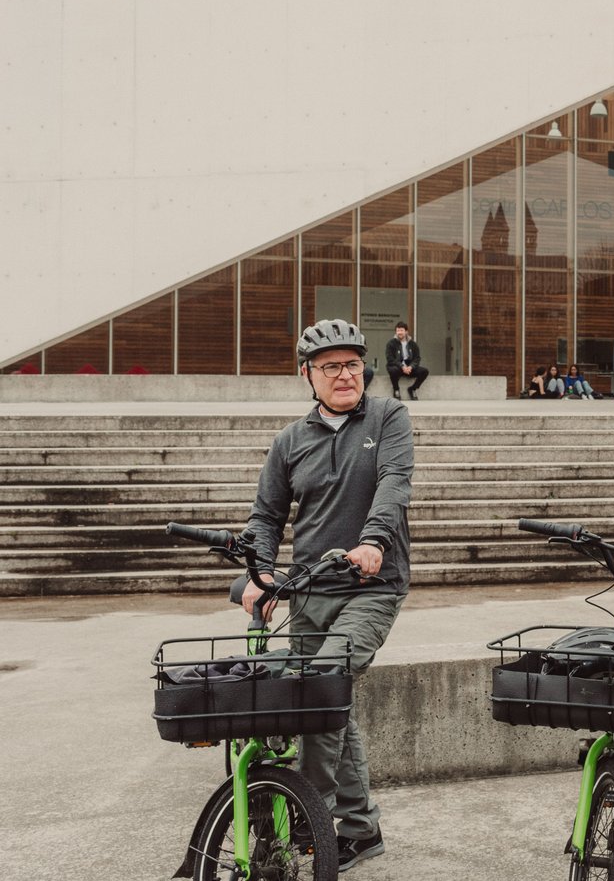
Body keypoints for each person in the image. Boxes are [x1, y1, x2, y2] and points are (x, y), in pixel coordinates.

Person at [241, 318, 413, 872]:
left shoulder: (389, 416)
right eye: (331, 366)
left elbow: (393, 483)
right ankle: (361, 830)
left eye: (353, 364)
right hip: (310, 590)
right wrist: (259, 574)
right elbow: (266, 516)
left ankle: (306, 816)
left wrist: (373, 541)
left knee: (321, 689)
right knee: (334, 707)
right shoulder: (290, 440)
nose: (346, 375)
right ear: (307, 375)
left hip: (371, 585)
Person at [384, 321, 429, 400]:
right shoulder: (391, 344)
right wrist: (402, 366)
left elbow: (417, 358)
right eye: (398, 331)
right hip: (397, 368)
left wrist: (411, 367)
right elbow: (390, 359)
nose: (399, 333)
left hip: (409, 368)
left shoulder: (413, 344)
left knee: (424, 371)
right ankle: (396, 390)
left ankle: (413, 389)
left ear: (406, 331)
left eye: (401, 330)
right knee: (392, 370)